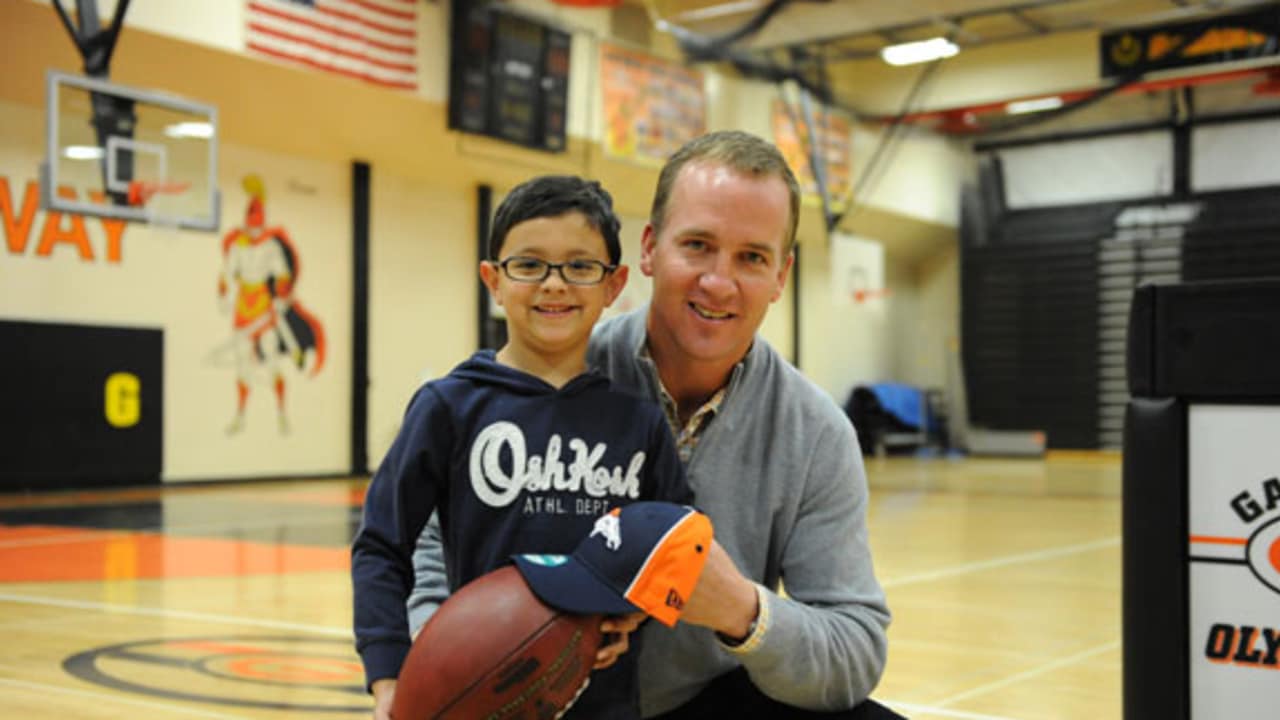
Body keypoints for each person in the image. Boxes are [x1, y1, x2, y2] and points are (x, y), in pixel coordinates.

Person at [411, 130, 901, 719]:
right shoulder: (550, 369)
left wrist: (743, 612)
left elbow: (854, 648)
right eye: (697, 245)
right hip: (540, 699)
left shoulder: (815, 432)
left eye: (751, 257)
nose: (719, 282)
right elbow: (429, 546)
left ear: (781, 275)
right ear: (648, 249)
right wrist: (436, 672)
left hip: (702, 702)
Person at [351, 175, 694, 720]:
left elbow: (681, 541)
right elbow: (380, 547)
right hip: (484, 697)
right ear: (493, 280)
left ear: (614, 284)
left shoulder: (639, 422)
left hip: (605, 704)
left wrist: (636, 615)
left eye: (580, 266)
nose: (554, 284)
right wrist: (389, 675)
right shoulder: (449, 406)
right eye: (529, 265)